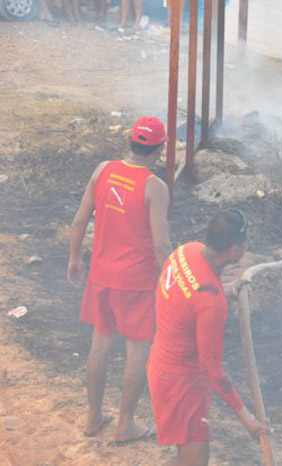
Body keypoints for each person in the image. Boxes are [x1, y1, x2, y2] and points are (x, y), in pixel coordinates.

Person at [67, 116, 172, 443]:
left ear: (130, 141)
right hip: (137, 284)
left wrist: (74, 258)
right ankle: (125, 423)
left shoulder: (103, 170)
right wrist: (171, 282)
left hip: (101, 277)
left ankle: (93, 417)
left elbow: (80, 218)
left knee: (99, 344)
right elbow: (161, 245)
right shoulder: (154, 186)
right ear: (161, 148)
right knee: (137, 351)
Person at [147, 210, 267, 465]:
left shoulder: (186, 251)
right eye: (246, 242)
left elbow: (187, 297)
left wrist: (224, 291)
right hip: (182, 384)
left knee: (188, 456)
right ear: (234, 250)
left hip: (161, 366)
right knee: (195, 459)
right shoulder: (210, 302)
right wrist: (246, 417)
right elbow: (211, 368)